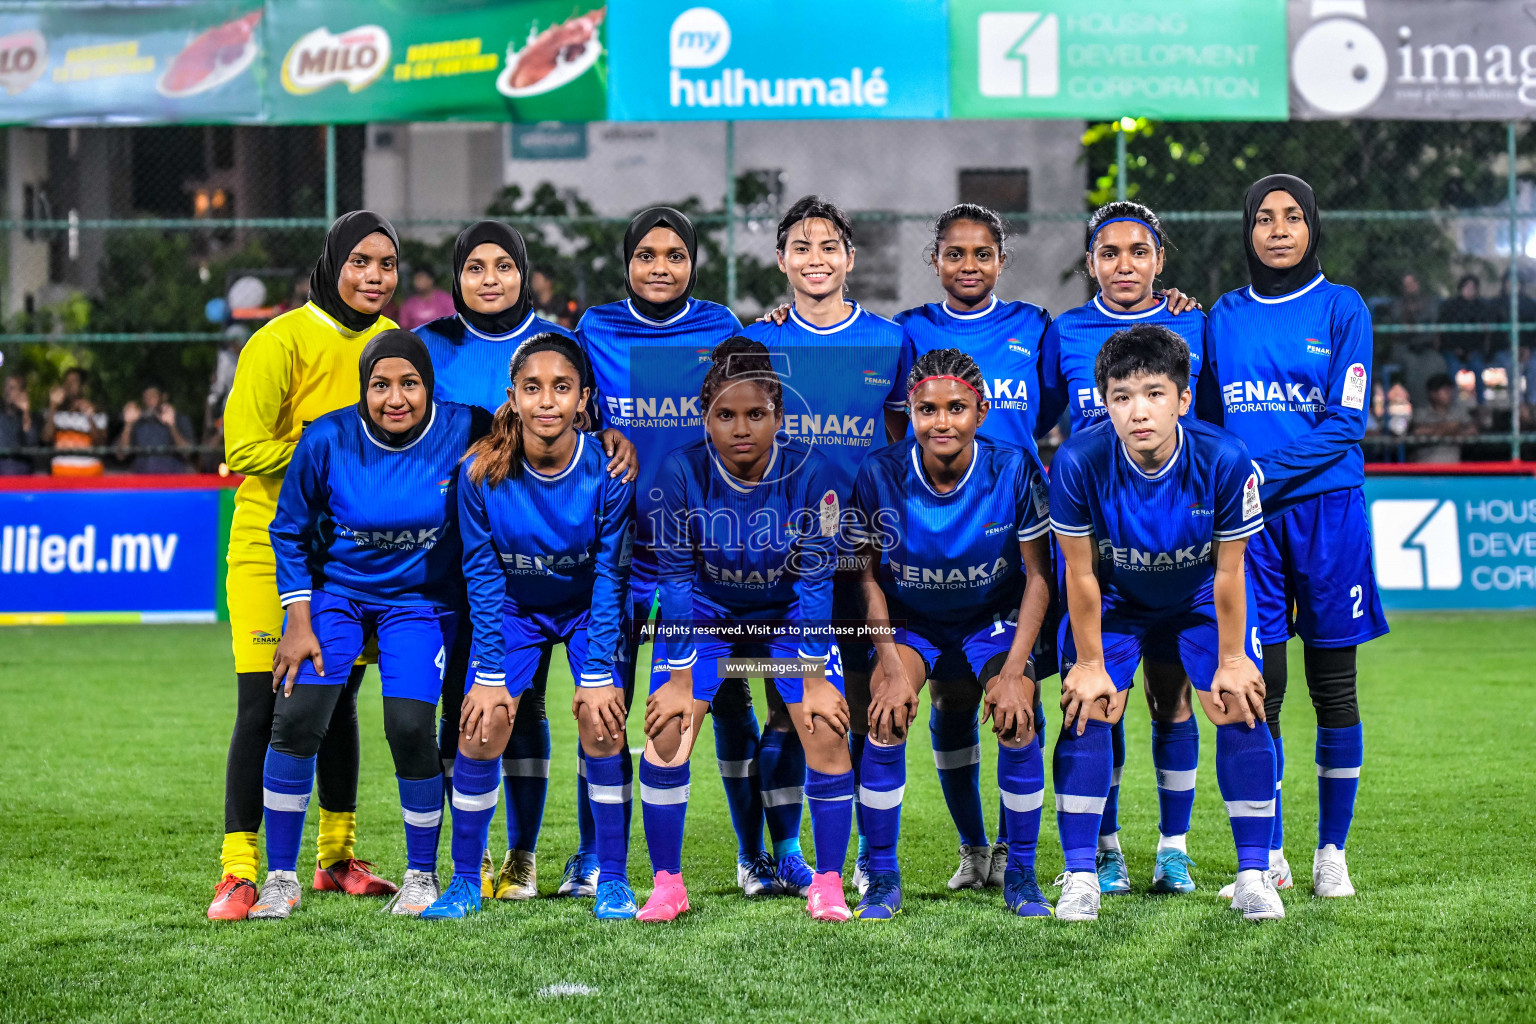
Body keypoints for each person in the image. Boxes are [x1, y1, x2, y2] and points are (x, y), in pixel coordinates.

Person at [415, 220, 635, 902]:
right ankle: (462, 882)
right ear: (512, 399)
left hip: (582, 606)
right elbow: (483, 576)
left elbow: (607, 572)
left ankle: (613, 878)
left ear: (584, 400)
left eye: (561, 389)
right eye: (532, 389)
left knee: (602, 718)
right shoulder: (481, 474)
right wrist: (486, 670)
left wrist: (598, 671)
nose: (547, 401)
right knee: (479, 724)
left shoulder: (608, 471)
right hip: (513, 610)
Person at [1049, 323, 1281, 922]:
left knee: (1238, 700)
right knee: (1087, 704)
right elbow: (1080, 576)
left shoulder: (1225, 458)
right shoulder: (1077, 461)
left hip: (1199, 597)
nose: (1138, 411)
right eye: (1122, 397)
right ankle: (1082, 875)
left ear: (1183, 399)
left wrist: (1233, 661)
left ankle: (1254, 875)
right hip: (1118, 599)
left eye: (1155, 394)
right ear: (1105, 403)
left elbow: (1231, 574)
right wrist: (1091, 665)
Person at [209, 211, 404, 921]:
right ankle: (238, 871)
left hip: (350, 558)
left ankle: (336, 857)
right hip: (268, 548)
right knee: (263, 705)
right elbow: (244, 448)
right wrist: (334, 459)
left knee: (338, 703)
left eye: (386, 264)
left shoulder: (392, 346)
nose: (373, 276)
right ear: (333, 263)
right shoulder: (279, 339)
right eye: (361, 261)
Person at [251, 331, 485, 920]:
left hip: (419, 603)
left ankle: (421, 877)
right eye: (381, 385)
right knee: (298, 718)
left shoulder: (466, 429)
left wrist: (609, 438)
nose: (395, 397)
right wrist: (297, 619)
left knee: (410, 727)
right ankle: (280, 879)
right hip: (339, 598)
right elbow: (289, 530)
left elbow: (536, 432)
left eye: (410, 383)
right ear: (364, 388)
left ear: (430, 387)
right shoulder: (327, 437)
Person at [1199, 174, 1388, 900]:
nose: (1278, 229)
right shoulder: (1223, 314)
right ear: (1247, 230)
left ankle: (1330, 852)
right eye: (1264, 218)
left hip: (1328, 514)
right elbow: (1210, 415)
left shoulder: (1343, 307)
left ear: (1312, 227)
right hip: (1252, 528)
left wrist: (1255, 471)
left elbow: (1346, 424)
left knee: (1333, 687)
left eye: (1293, 217)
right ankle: (1270, 852)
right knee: (1262, 689)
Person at [574, 208, 765, 898]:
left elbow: (755, 398)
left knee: (729, 701)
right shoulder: (594, 328)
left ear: (695, 262)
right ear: (626, 261)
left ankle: (756, 856)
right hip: (622, 549)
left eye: (676, 254)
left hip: (703, 552)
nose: (661, 267)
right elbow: (572, 408)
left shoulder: (723, 327)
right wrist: (600, 438)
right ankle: (595, 856)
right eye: (647, 254)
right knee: (608, 701)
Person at [637, 338, 852, 922]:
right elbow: (676, 583)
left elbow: (816, 584)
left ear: (778, 416)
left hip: (786, 617)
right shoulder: (679, 471)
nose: (740, 428)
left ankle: (827, 882)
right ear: (705, 416)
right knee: (668, 727)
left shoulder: (819, 476)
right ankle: (668, 884)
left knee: (825, 725)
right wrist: (679, 677)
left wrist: (813, 677)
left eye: (756, 415)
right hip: (707, 615)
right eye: (725, 415)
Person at [1037, 200, 1210, 899]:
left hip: (1176, 545)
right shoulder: (1066, 332)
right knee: (1094, 697)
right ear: (1091, 263)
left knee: (1173, 696)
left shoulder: (1192, 323)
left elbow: (1211, 425)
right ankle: (1104, 850)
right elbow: (1038, 417)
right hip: (1093, 551)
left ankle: (1174, 850)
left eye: (1139, 251)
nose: (1125, 265)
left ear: (1159, 260)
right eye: (1109, 253)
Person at [851, 348, 1054, 921]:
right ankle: (883, 878)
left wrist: (1016, 672)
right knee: (885, 719)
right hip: (910, 620)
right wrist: (889, 669)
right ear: (910, 413)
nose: (942, 422)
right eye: (927, 410)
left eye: (957, 409)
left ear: (981, 412)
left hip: (991, 618)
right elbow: (866, 575)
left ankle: (1021, 874)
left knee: (1017, 718)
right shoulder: (879, 472)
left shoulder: (1012, 467)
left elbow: (1039, 576)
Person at [740, 195, 906, 897]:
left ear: (850, 258)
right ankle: (785, 852)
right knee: (787, 707)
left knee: (866, 705)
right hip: (782, 559)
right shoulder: (760, 341)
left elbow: (902, 444)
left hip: (864, 556)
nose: (815, 259)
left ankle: (870, 856)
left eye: (829, 246)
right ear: (781, 260)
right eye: (800, 247)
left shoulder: (892, 341)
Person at [41, 367, 107, 476]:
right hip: (61, 474)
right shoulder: (55, 412)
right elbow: (46, 438)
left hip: (90, 475)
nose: (69, 385)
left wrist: (90, 418)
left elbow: (101, 444)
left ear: (83, 386)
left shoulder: (96, 413)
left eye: (74, 381)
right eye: (66, 381)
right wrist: (53, 407)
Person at [117, 385, 195, 474]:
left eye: (153, 396)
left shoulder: (179, 419)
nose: (149, 400)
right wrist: (128, 425)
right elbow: (121, 455)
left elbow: (187, 453)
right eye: (146, 397)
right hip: (142, 479)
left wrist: (172, 426)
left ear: (163, 397)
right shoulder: (137, 421)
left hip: (174, 478)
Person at [1410, 372, 1477, 463]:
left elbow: (1472, 430)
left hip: (1452, 466)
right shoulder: (1422, 413)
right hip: (1426, 466)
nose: (1449, 394)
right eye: (1445, 391)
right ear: (1433, 394)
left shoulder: (1459, 413)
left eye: (1450, 390)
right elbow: (1418, 431)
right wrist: (1449, 428)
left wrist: (1444, 430)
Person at [0, 374, 37, 475]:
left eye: (12, 388)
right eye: (6, 387)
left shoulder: (28, 417)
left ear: (22, 393)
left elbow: (32, 443)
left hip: (20, 478)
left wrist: (26, 412)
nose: (8, 391)